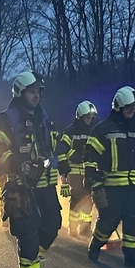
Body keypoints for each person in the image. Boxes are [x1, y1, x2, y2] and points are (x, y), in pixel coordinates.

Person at [0, 70, 62, 268]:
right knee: (27, 234)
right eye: (31, 91)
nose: (36, 95)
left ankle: (34, 256)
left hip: (45, 183)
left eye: (38, 91)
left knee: (53, 223)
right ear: (20, 93)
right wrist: (19, 164)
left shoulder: (44, 116)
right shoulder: (8, 118)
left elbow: (51, 145)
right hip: (21, 185)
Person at [83, 86, 135, 268]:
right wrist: (95, 185)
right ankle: (96, 243)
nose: (132, 110)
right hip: (112, 188)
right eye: (128, 107)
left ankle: (134, 258)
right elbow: (90, 159)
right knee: (108, 222)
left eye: (134, 108)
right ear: (118, 107)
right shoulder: (102, 130)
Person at [56, 100, 98, 237]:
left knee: (88, 199)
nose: (89, 120)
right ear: (80, 117)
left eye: (91, 118)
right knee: (76, 198)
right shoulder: (70, 132)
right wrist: (73, 156)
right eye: (87, 117)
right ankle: (73, 227)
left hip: (87, 172)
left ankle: (85, 228)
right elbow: (61, 150)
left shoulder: (92, 132)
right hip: (73, 172)